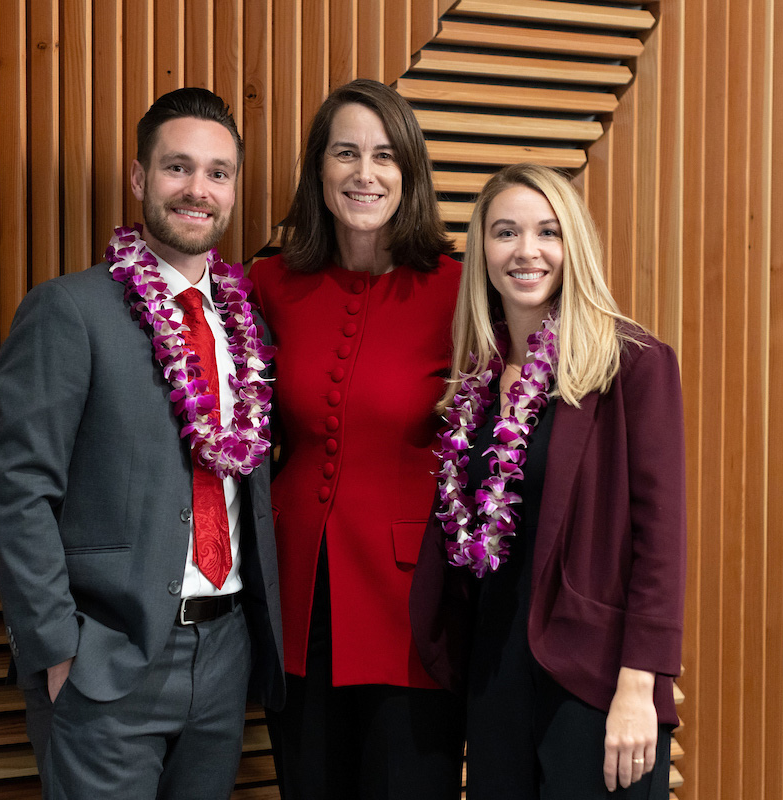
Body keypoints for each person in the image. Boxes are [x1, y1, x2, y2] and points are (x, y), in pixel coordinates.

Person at [0, 87, 284, 800]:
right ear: (139, 178)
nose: (197, 190)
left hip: (226, 654)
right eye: (177, 167)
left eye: (217, 173)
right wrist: (59, 651)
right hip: (106, 662)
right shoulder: (70, 311)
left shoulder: (250, 331)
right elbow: (17, 488)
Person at [409, 163, 686, 800]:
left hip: (594, 678)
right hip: (494, 675)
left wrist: (639, 686)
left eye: (547, 233)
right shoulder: (473, 383)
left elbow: (661, 543)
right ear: (482, 249)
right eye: (505, 232)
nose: (526, 251)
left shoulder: (633, 364)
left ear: (573, 248)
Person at [249, 79, 464, 799]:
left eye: (383, 156)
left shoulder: (461, 290)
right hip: (296, 599)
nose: (364, 173)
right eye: (345, 153)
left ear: (409, 174)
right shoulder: (268, 284)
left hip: (415, 615)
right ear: (319, 169)